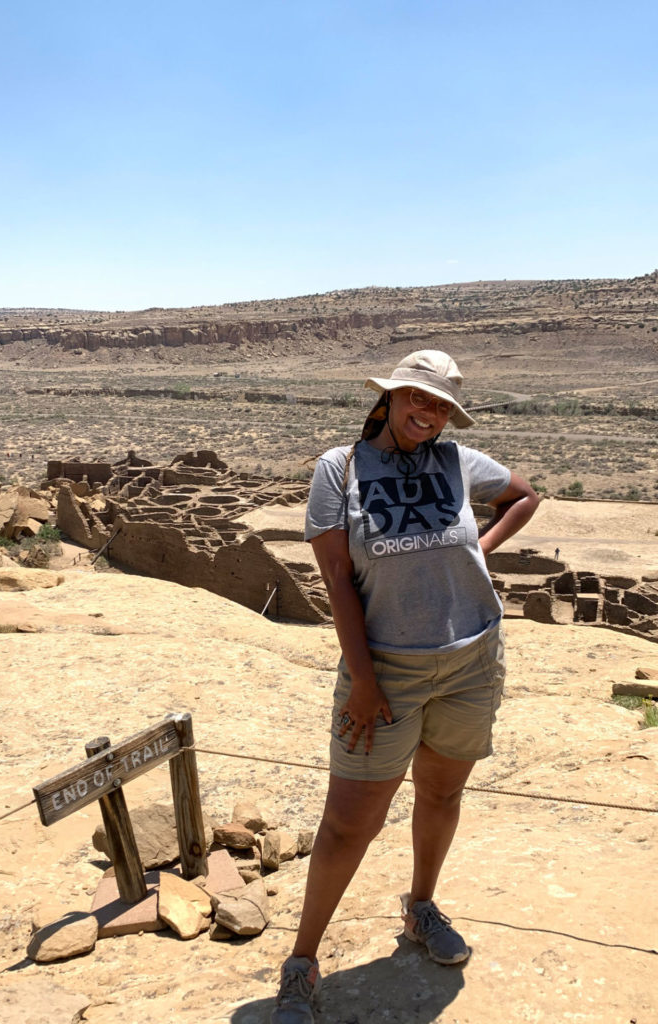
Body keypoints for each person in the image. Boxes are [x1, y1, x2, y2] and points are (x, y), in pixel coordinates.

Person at [271, 350, 539, 1024]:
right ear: (389, 397)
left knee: (442, 791)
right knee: (348, 825)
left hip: (471, 657)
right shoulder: (341, 468)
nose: (430, 413)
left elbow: (525, 494)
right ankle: (301, 962)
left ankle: (420, 908)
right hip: (389, 668)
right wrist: (363, 679)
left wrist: (481, 547)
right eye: (419, 397)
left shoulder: (458, 463)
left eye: (442, 404)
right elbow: (337, 581)